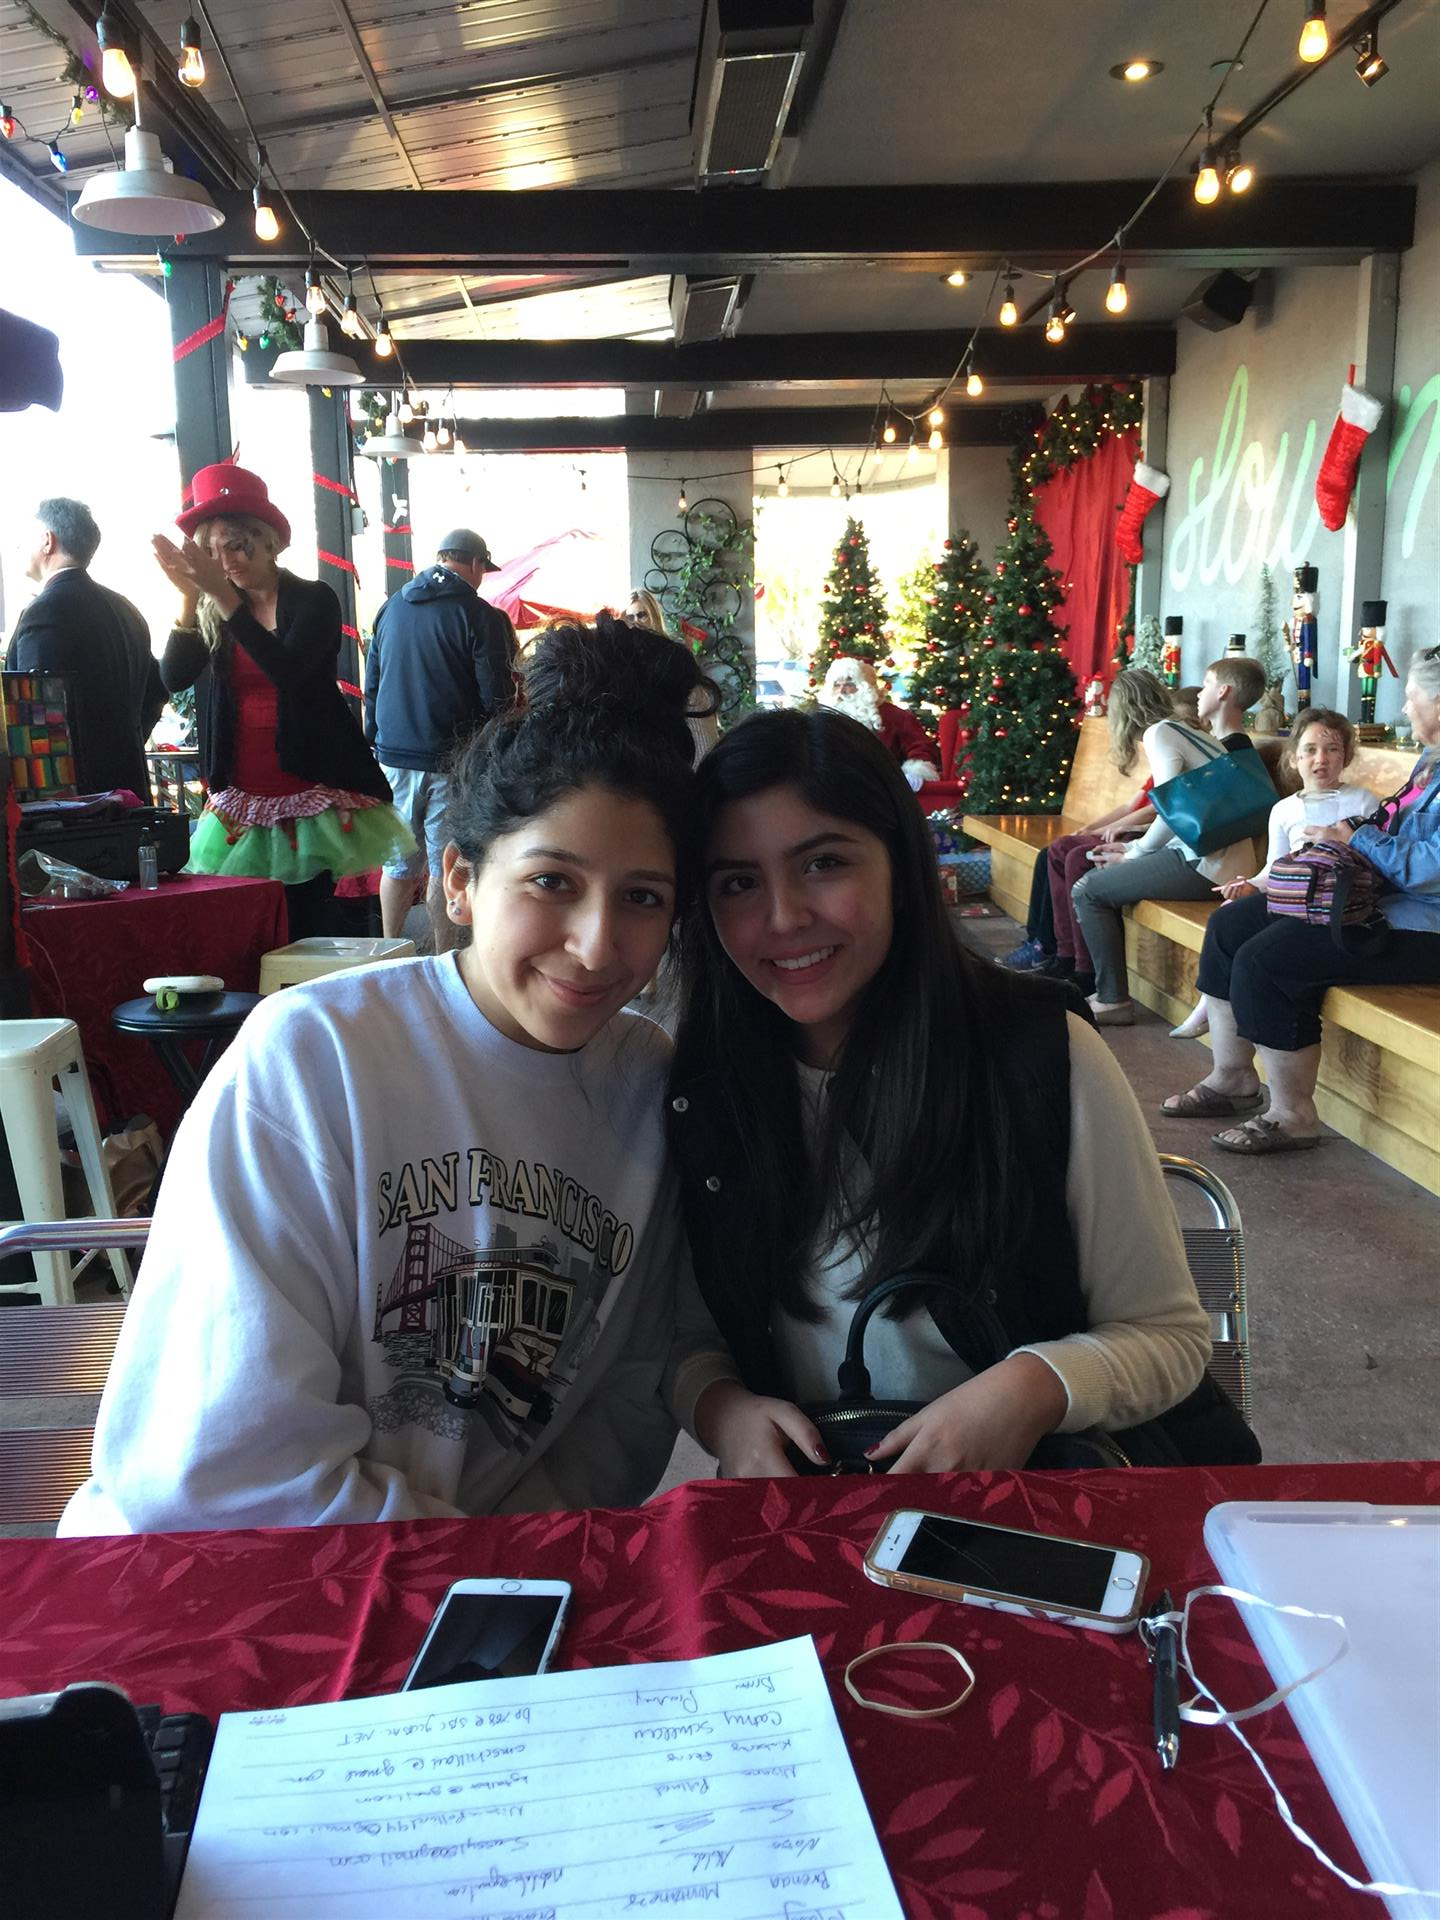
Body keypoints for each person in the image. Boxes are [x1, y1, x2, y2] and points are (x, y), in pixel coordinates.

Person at [59, 616, 747, 1536]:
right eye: (551, 882)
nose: (595, 945)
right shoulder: (313, 1058)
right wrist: (455, 1561)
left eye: (642, 899)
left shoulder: (647, 1083)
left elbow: (626, 1389)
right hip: (223, 1575)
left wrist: (512, 1557)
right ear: (458, 880)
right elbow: (223, 1463)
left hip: (469, 1591)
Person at [667, 706, 1218, 1478]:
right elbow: (687, 1339)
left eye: (824, 863)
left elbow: (1169, 1336)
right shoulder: (701, 1089)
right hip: (813, 1526)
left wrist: (1035, 1387)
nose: (784, 916)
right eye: (738, 882)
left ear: (900, 866)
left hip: (1025, 1518)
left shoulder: (1041, 1057)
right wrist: (723, 1411)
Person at [1162, 655, 1440, 1155]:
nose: (1405, 705)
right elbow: (1394, 827)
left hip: (1423, 924)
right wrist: (1354, 836)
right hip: (1381, 898)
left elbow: (1429, 868)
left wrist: (1357, 837)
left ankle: (1293, 1114)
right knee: (1232, 925)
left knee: (1268, 959)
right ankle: (1232, 1078)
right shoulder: (1430, 760)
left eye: (1413, 696)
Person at [152, 462, 412, 940]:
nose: (225, 561)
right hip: (242, 789)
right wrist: (191, 600)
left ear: (268, 541)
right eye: (212, 551)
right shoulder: (215, 608)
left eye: (235, 545)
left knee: (315, 923)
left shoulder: (314, 599)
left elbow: (289, 674)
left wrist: (223, 600)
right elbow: (174, 677)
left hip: (314, 782)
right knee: (253, 926)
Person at [1071, 668, 1266, 1025]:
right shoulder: (1184, 729)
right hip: (1211, 854)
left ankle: (1112, 999)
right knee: (1096, 865)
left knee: (1088, 890)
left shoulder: (1160, 733)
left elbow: (1171, 811)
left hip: (1208, 864)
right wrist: (1135, 853)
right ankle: (1102, 990)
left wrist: (1136, 853)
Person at [366, 529, 517, 949]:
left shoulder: (392, 607)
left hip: (392, 758)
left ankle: (388, 949)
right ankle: (441, 956)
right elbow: (497, 696)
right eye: (482, 569)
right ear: (472, 564)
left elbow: (372, 683)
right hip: (451, 759)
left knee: (396, 864)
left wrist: (372, 741)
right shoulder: (477, 614)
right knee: (442, 865)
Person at [1005, 675, 1201, 983]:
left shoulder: (1163, 734)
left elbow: (1163, 808)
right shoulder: (1168, 735)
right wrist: (1092, 828)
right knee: (1059, 851)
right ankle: (1058, 951)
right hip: (1170, 840)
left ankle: (1078, 966)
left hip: (1179, 846)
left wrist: (1134, 847)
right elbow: (1141, 803)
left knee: (1076, 864)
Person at [6, 497, 164, 799]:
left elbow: (32, 713)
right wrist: (124, 743)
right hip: (128, 788)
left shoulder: (45, 610)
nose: (17, 549)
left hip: (71, 804)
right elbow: (157, 691)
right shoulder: (127, 610)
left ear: (46, 541)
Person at [623, 588, 720, 764]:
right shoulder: (624, 661)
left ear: (653, 615)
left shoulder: (673, 656)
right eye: (630, 617)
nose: (636, 622)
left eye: (641, 615)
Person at [817, 655, 940, 790]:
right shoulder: (822, 718)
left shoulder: (896, 716)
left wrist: (914, 772)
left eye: (849, 684)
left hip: (883, 789)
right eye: (836, 685)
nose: (841, 691)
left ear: (864, 686)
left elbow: (921, 747)